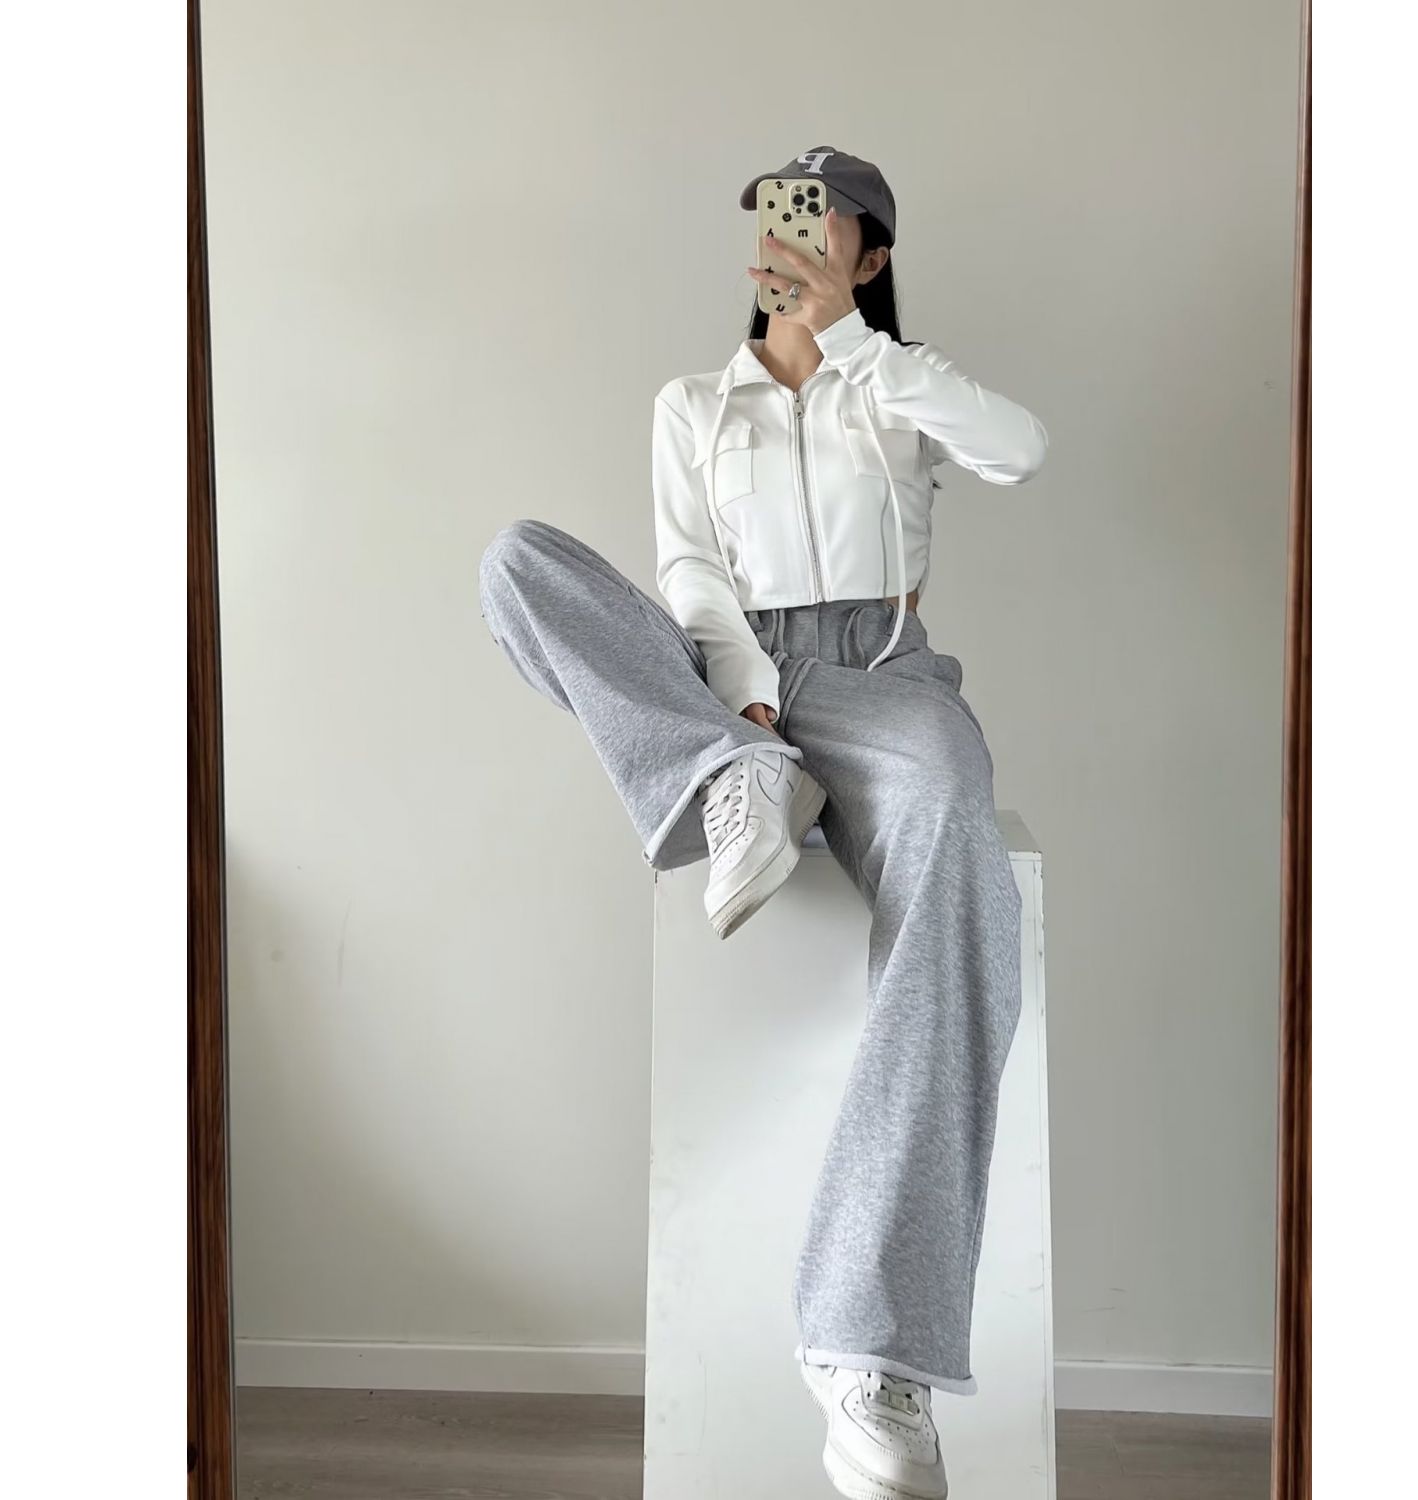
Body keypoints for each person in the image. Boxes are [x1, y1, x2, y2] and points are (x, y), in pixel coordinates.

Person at [479, 146, 1048, 1500]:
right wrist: (741, 707)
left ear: (871, 253)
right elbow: (688, 571)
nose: (787, 240)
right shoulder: (693, 404)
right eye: (774, 220)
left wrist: (853, 342)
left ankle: (871, 1348)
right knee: (519, 564)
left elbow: (1021, 450)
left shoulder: (896, 385)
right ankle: (729, 778)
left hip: (881, 678)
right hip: (729, 677)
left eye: (818, 221)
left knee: (964, 855)